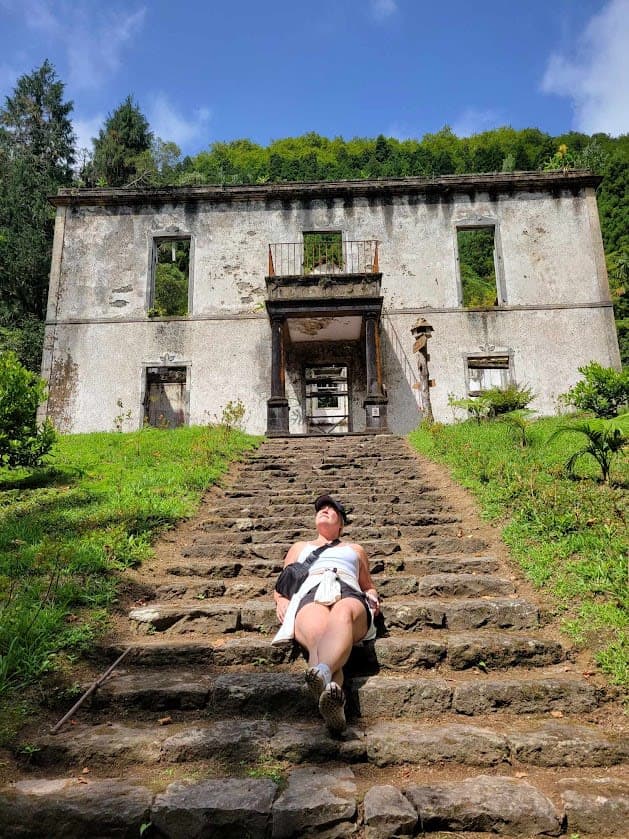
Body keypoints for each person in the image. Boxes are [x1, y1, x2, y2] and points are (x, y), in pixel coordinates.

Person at [272, 494, 380, 733]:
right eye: (321, 508)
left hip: (348, 592)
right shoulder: (300, 547)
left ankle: (321, 671)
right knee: (319, 638)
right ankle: (335, 702)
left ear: (341, 524)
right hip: (311, 593)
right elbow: (283, 584)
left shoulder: (355, 549)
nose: (325, 510)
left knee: (342, 614)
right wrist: (281, 600)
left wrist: (372, 595)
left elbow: (367, 585)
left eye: (332, 509)